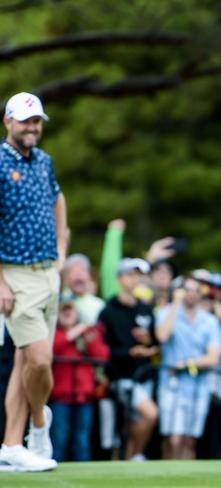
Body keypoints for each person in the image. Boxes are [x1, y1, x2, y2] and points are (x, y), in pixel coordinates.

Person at [0, 92, 67, 472]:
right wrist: (1, 283)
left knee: (28, 360)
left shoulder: (43, 161)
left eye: (37, 121)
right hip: (14, 273)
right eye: (25, 121)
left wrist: (61, 245)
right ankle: (39, 426)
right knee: (39, 361)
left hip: (47, 273)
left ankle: (11, 444)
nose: (33, 127)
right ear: (8, 122)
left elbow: (58, 200)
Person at [98, 257, 158, 461]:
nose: (136, 280)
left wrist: (148, 343)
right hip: (120, 376)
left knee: (137, 421)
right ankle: (136, 455)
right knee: (150, 414)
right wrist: (130, 352)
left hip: (143, 374)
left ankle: (131, 459)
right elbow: (103, 349)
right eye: (131, 275)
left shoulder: (145, 309)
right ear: (119, 278)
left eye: (139, 276)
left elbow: (155, 343)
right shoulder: (108, 311)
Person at [155, 276, 220, 460]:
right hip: (171, 385)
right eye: (187, 289)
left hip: (199, 385)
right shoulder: (167, 313)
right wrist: (175, 303)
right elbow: (162, 336)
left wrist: (187, 364)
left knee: (189, 439)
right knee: (172, 438)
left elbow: (213, 357)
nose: (191, 294)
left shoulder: (209, 320)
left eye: (195, 290)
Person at [50, 292, 109, 462]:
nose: (68, 314)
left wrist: (89, 339)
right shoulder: (54, 333)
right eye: (64, 310)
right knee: (58, 440)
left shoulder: (88, 333)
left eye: (71, 310)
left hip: (85, 396)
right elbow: (53, 348)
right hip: (60, 396)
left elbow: (102, 356)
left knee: (82, 441)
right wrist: (75, 332)